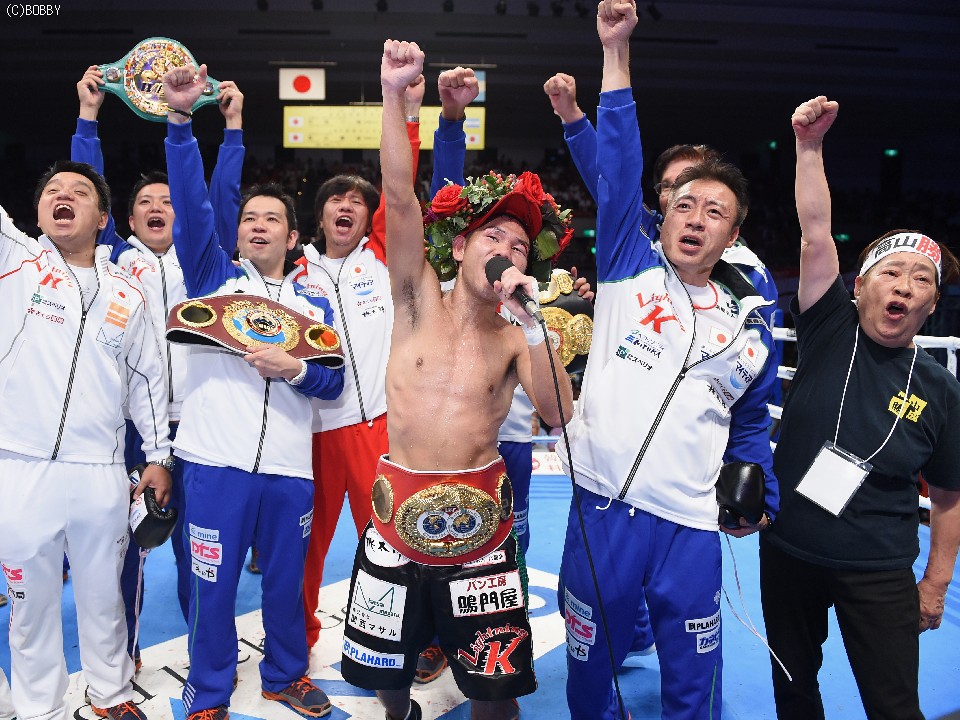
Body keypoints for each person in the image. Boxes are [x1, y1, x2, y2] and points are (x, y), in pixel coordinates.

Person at [555, 3, 779, 719]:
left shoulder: (749, 323)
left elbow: (751, 420)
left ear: (733, 235)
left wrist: (761, 489)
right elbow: (619, 162)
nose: (696, 218)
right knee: (592, 670)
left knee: (694, 678)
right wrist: (615, 52)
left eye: (715, 211)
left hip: (691, 524)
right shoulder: (629, 263)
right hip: (604, 508)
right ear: (662, 214)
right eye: (685, 205)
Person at [338, 40, 573, 720]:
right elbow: (397, 195)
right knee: (382, 673)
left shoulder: (518, 333)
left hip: (483, 534)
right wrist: (393, 94)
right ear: (463, 245)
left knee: (495, 692)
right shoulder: (416, 298)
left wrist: (535, 325)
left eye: (520, 245)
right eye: (494, 237)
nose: (507, 250)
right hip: (396, 515)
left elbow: (558, 415)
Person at [759, 95, 960, 720]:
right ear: (861, 283)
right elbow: (816, 232)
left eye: (921, 280)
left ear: (932, 304)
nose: (904, 286)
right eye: (892, 272)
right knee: (794, 693)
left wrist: (935, 582)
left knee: (894, 705)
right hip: (789, 552)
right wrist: (808, 147)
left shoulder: (940, 388)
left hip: (879, 567)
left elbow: (949, 495)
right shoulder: (828, 327)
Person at [162, 63, 345, 720]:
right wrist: (182, 123)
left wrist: (293, 369)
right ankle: (209, 690)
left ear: (294, 239)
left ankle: (285, 674)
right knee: (211, 587)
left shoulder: (314, 307)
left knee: (286, 586)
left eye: (273, 219)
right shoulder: (213, 278)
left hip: (290, 470)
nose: (259, 225)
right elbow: (192, 205)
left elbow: (333, 383)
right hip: (216, 463)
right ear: (236, 234)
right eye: (249, 219)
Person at [71, 65, 247, 669]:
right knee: (125, 549)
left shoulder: (210, 263)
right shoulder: (114, 260)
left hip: (199, 425)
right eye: (144, 202)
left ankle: (206, 654)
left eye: (168, 200)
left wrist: (232, 130)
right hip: (130, 430)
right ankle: (123, 655)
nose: (156, 207)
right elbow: (86, 188)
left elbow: (220, 196)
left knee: (198, 551)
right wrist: (88, 119)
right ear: (124, 218)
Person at [0, 161, 172, 720]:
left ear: (102, 218)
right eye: (53, 191)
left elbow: (148, 378)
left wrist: (158, 456)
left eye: (79, 191)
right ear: (38, 212)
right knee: (31, 606)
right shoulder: (14, 261)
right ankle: (40, 710)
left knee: (103, 598)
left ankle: (112, 695)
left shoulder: (128, 290)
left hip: (100, 469)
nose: (64, 196)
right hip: (22, 466)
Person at [295, 77, 428, 669]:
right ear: (320, 214)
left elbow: (401, 187)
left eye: (357, 201)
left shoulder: (380, 258)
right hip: (312, 432)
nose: (346, 206)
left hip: (378, 428)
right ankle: (296, 642)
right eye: (336, 199)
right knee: (306, 549)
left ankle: (414, 641)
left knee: (396, 545)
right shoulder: (292, 273)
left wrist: (406, 112)